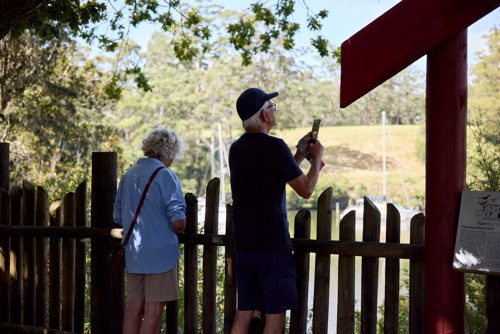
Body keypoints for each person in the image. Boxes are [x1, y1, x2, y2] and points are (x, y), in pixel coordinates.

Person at [229, 88, 324, 333]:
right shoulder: (275, 146)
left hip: (245, 243)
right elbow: (306, 189)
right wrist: (317, 159)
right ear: (263, 115)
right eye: (272, 107)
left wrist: (299, 156)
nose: (274, 110)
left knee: (244, 310)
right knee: (275, 311)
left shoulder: (236, 149)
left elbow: (272, 173)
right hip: (272, 244)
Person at [113, 127, 186, 334]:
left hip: (134, 254)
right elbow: (178, 222)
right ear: (169, 153)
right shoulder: (167, 176)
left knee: (135, 306)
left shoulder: (127, 176)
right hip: (161, 256)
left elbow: (118, 217)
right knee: (154, 310)